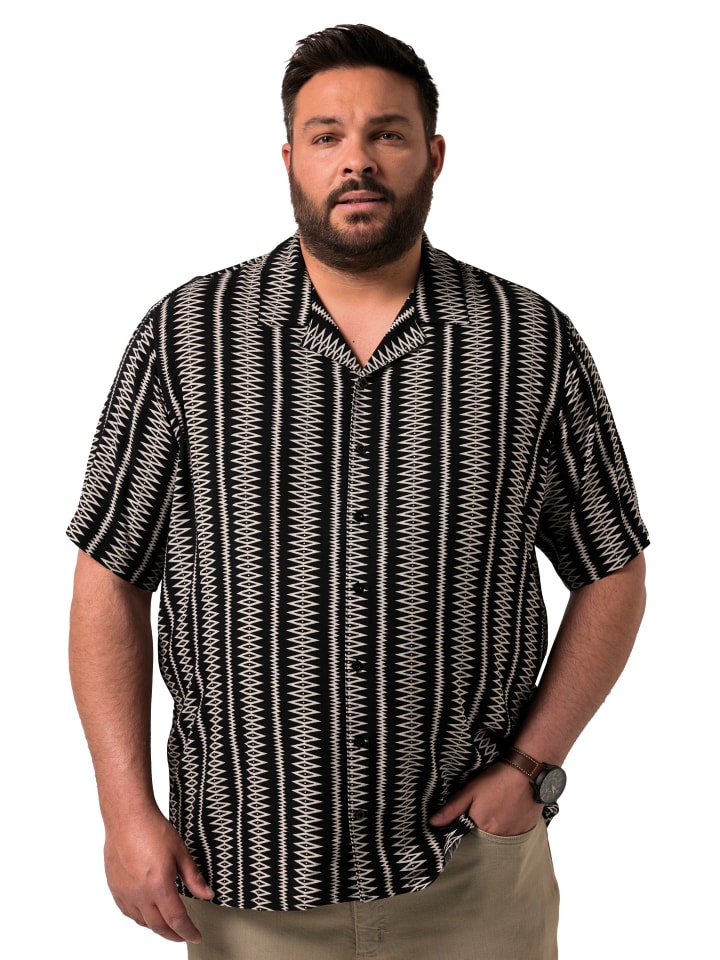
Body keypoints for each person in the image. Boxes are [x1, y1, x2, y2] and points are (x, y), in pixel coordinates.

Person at [68, 23, 649, 960]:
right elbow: (109, 577)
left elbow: (612, 569)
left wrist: (530, 768)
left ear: (434, 155)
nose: (358, 160)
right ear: (289, 159)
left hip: (471, 876)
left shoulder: (527, 342)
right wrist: (124, 811)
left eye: (387, 133)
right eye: (328, 135)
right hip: (243, 885)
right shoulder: (188, 336)